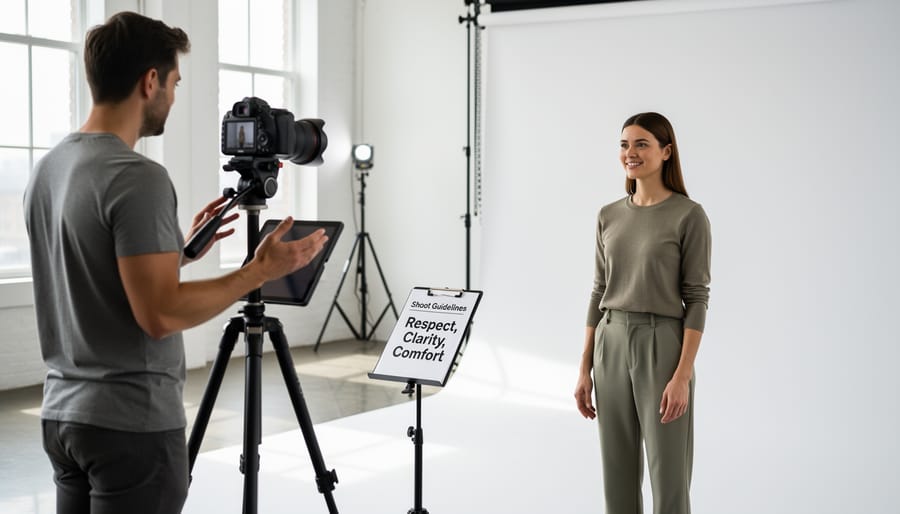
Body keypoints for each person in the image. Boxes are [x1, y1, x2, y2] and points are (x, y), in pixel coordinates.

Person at [22, 12, 328, 514]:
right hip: (131, 427)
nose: (174, 96)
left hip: (63, 419)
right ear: (150, 82)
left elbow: (90, 272)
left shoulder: (49, 168)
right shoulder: (137, 176)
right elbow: (159, 315)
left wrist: (178, 255)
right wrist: (257, 271)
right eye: (175, 83)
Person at [574, 112, 711, 514]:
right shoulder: (608, 215)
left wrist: (682, 375)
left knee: (668, 478)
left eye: (641, 144)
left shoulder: (689, 215)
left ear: (666, 152)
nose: (630, 153)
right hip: (610, 342)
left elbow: (697, 298)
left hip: (662, 344)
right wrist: (585, 367)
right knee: (616, 476)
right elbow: (599, 290)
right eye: (624, 145)